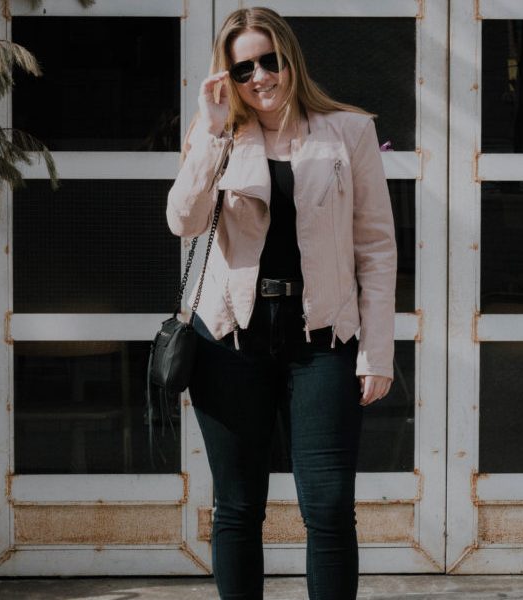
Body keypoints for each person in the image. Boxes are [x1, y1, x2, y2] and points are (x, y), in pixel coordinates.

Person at [166, 7, 396, 599]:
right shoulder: (216, 133)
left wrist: (376, 352)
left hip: (322, 338)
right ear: (228, 77)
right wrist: (211, 130)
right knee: (238, 506)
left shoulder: (349, 131)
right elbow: (183, 221)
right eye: (244, 69)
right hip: (230, 338)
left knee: (329, 508)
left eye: (269, 61)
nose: (260, 77)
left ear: (290, 57)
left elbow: (375, 247)